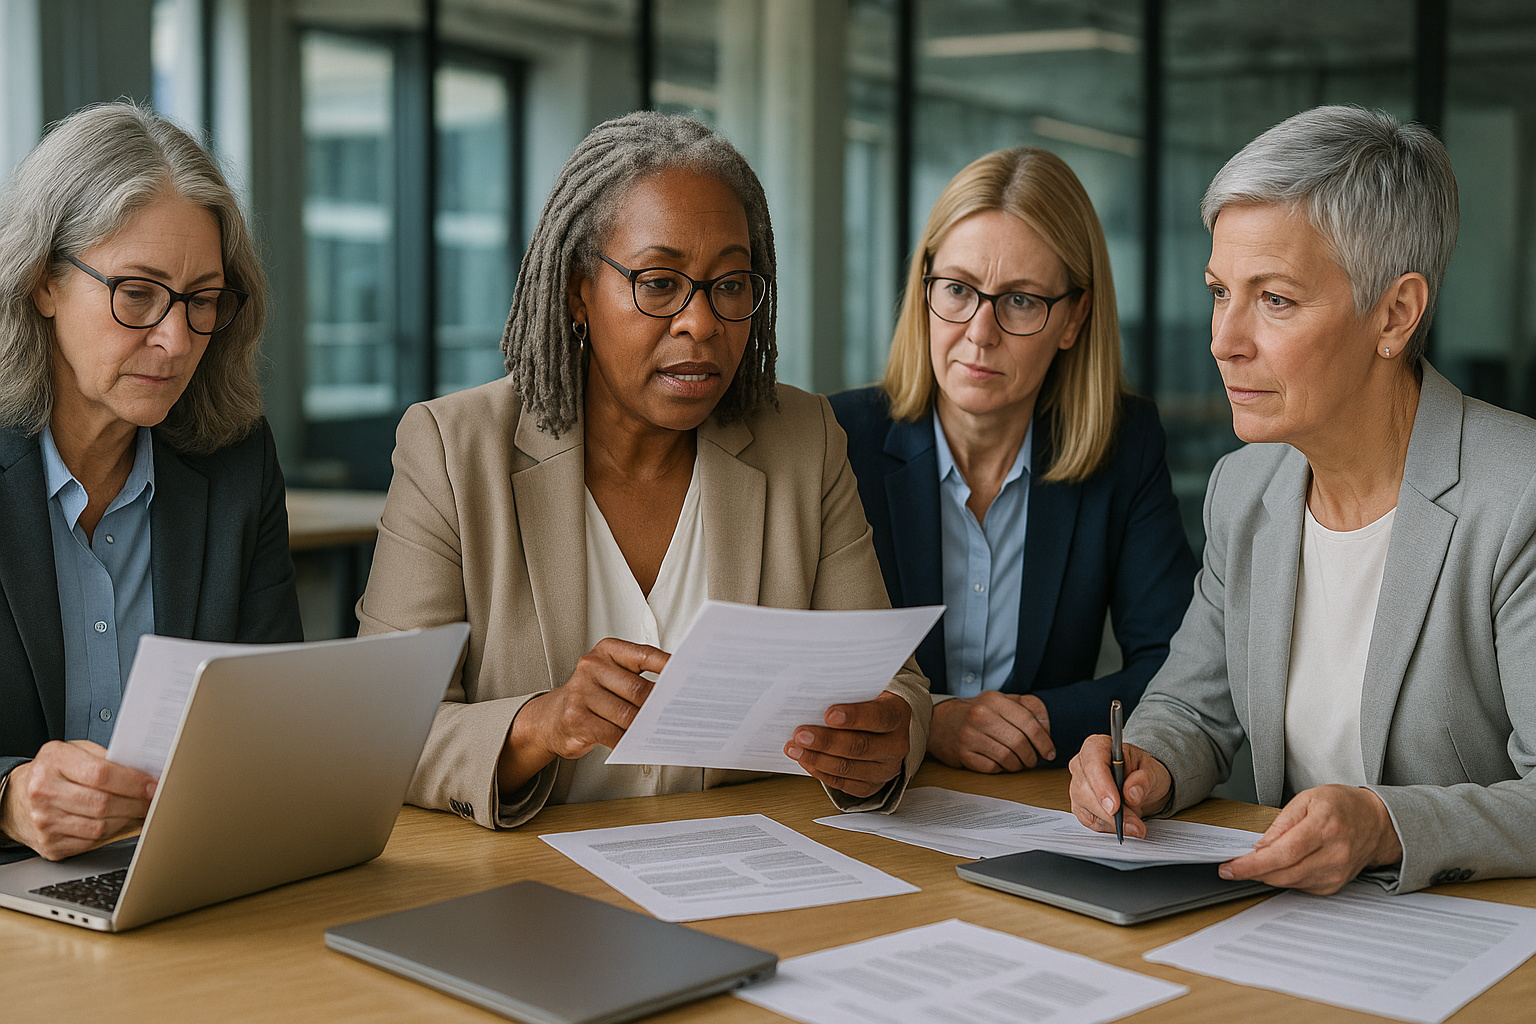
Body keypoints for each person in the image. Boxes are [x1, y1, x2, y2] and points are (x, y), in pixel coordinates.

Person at [357, 111, 930, 829]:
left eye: (730, 284)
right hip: (532, 896)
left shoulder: (803, 440)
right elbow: (379, 729)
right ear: (577, 291)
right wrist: (540, 725)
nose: (702, 322)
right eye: (659, 283)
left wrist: (882, 741)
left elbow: (894, 687)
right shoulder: (452, 449)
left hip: (749, 875)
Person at [1070, 105, 1536, 895]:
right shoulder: (1244, 489)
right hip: (1288, 932)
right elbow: (1193, 710)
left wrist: (1387, 826)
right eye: (1221, 291)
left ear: (1395, 314)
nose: (1223, 339)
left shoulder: (1517, 498)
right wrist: (1144, 761)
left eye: (1275, 299)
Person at [0, 103, 305, 861]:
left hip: (183, 876)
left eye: (203, 301)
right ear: (43, 281)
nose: (174, 341)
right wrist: (6, 799)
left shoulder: (233, 457)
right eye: (137, 293)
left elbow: (274, 722)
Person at [830, 147, 1196, 774]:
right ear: (925, 289)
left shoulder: (1123, 446)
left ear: (1074, 318)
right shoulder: (838, 438)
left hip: (1040, 803)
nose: (980, 331)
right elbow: (797, 671)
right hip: (874, 804)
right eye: (957, 289)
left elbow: (1179, 666)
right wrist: (932, 718)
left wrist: (1031, 722)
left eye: (1021, 301)